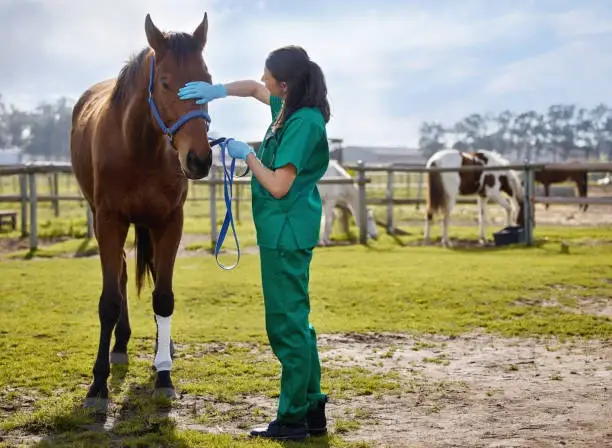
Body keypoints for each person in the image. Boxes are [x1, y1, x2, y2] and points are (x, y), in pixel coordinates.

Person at [178, 45, 330, 442]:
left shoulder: (302, 122)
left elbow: (279, 185)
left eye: (268, 79)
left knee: (286, 325)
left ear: (285, 84)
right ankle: (313, 409)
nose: (263, 84)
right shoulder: (291, 109)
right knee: (300, 322)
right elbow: (250, 89)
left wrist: (248, 154)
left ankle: (292, 419)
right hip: (286, 231)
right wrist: (218, 91)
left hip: (286, 231)